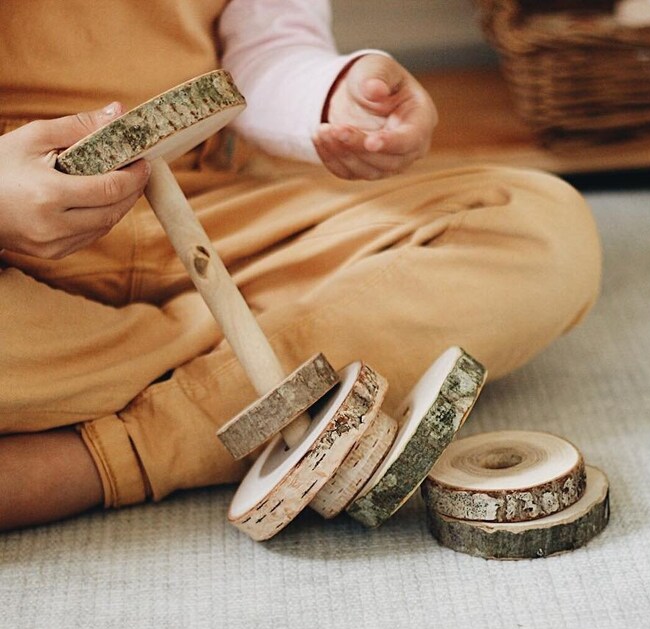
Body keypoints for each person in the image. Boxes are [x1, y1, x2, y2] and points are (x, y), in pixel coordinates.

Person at [0, 0, 601, 530]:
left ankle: (95, 454)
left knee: (536, 225)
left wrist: (335, 97)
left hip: (210, 203)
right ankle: (244, 356)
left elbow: (267, 50)